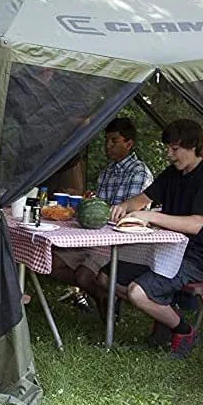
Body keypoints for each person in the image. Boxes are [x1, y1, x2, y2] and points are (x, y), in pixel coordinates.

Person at [105, 118, 203, 355]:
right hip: (165, 251)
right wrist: (124, 206)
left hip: (195, 259)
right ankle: (162, 313)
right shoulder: (172, 174)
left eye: (175, 149)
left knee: (137, 292)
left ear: (193, 147)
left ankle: (184, 330)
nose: (170, 154)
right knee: (105, 278)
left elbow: (195, 224)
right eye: (168, 148)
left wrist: (151, 217)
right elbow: (142, 199)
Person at [49, 117, 154, 299]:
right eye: (106, 140)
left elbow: (128, 215)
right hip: (97, 238)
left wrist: (99, 208)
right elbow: (99, 208)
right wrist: (85, 199)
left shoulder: (139, 172)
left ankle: (107, 309)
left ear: (129, 144)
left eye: (114, 141)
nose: (108, 145)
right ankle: (104, 296)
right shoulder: (107, 173)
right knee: (51, 263)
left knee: (84, 275)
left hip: (120, 243)